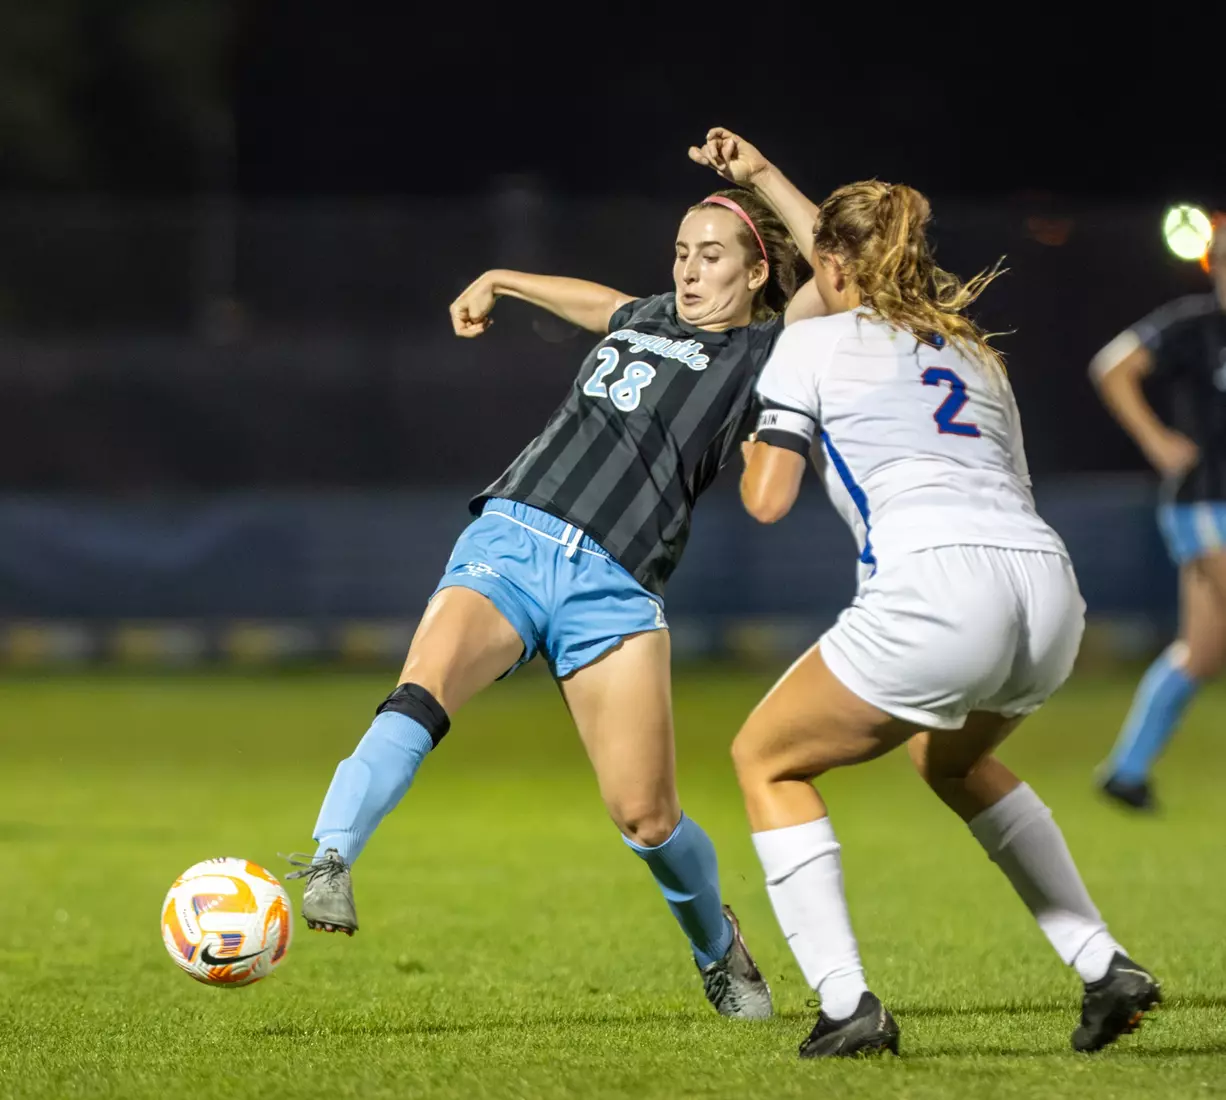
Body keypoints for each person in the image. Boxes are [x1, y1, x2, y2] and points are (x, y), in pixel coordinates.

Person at [287, 150, 825, 1018]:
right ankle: (330, 857)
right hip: (512, 535)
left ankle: (717, 948)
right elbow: (594, 303)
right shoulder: (648, 313)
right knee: (421, 693)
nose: (689, 268)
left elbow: (837, 271)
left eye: (713, 254)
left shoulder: (769, 349)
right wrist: (502, 277)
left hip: (615, 584)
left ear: (758, 268)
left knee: (647, 818)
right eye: (682, 251)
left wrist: (762, 172)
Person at [723, 171, 1160, 1056]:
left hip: (936, 586)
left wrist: (749, 444)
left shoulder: (809, 346)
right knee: (951, 762)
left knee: (763, 759)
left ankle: (848, 1005)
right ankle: (1103, 962)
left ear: (836, 265)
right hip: (1045, 589)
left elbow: (767, 499)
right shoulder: (975, 355)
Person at [1090, 223, 1226, 811]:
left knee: (1200, 652)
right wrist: (1157, 442)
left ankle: (1127, 771)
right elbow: (1112, 368)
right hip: (1206, 503)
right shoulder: (1194, 326)